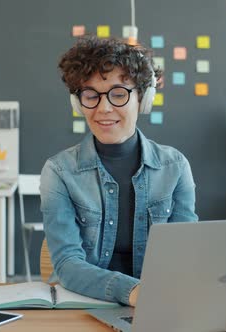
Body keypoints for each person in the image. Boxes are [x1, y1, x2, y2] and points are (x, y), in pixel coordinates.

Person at [40, 35, 198, 306]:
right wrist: (133, 292)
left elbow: (184, 253)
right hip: (84, 303)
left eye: (118, 94)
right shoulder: (59, 171)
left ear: (143, 99)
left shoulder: (175, 167)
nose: (103, 108)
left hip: (157, 303)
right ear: (78, 102)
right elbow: (67, 263)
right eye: (91, 95)